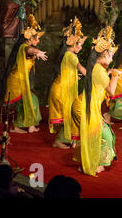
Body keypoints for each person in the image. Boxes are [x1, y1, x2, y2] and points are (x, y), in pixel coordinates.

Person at [71, 27, 121, 176]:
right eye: (111, 54)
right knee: (102, 135)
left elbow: (99, 80)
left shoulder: (97, 67)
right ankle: (92, 164)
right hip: (84, 107)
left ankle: (89, 162)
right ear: (105, 53)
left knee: (101, 133)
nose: (112, 58)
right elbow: (111, 91)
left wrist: (110, 73)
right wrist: (115, 76)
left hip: (86, 105)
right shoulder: (99, 69)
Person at [2, 14, 47, 134]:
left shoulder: (26, 46)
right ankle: (18, 126)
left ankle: (26, 125)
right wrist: (37, 52)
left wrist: (36, 52)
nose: (38, 40)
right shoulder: (24, 47)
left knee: (31, 101)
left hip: (21, 80)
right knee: (30, 101)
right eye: (36, 38)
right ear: (29, 39)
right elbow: (30, 50)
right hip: (16, 81)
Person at [48, 17, 87, 149]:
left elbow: (69, 71)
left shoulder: (67, 55)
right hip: (60, 91)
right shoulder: (71, 56)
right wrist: (98, 75)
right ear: (73, 44)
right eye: (80, 44)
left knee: (70, 115)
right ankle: (59, 141)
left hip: (60, 88)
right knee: (69, 115)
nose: (80, 47)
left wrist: (75, 76)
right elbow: (82, 69)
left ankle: (73, 141)